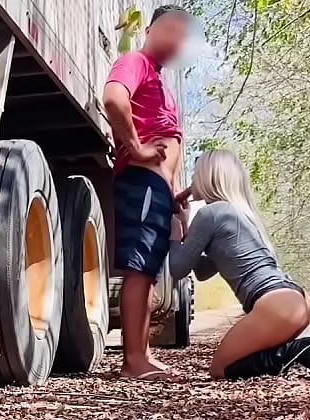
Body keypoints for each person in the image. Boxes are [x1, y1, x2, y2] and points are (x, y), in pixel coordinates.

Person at [169, 149, 310, 380]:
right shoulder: (241, 214)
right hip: (295, 299)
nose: (191, 182)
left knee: (220, 370)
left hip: (276, 305)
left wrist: (173, 234)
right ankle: (303, 349)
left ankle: (301, 349)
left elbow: (178, 269)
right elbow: (201, 271)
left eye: (196, 174)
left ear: (209, 177)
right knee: (239, 362)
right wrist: (186, 229)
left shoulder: (211, 213)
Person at [103, 5, 192, 381]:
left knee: (150, 272)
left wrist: (173, 195)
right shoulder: (134, 61)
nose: (175, 40)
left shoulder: (160, 82)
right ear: (149, 31)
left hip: (156, 189)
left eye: (182, 35)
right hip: (139, 182)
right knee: (139, 270)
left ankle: (143, 355)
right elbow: (113, 99)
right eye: (168, 30)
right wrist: (138, 149)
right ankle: (133, 361)